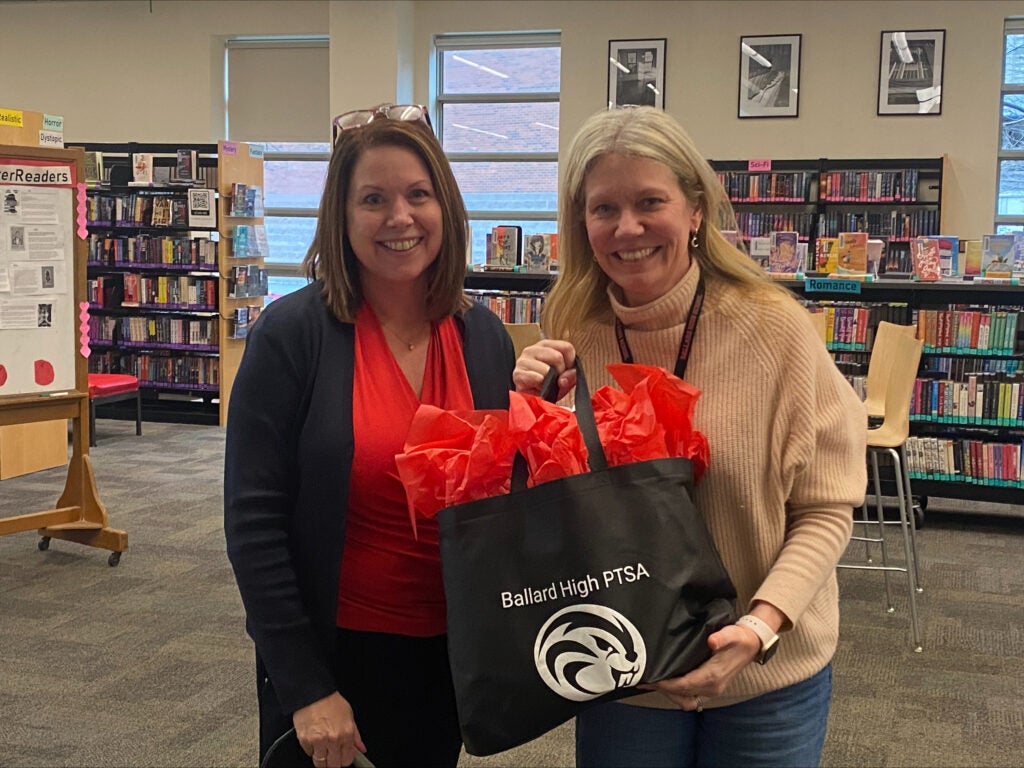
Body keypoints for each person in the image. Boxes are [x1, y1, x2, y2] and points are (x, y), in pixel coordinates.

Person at [513, 106, 867, 767]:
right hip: (624, 673)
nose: (627, 228)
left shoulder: (775, 331)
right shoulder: (569, 332)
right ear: (580, 222)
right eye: (603, 209)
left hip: (768, 673)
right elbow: (556, 522)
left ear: (696, 209)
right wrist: (531, 418)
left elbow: (825, 507)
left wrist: (760, 627)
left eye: (651, 202)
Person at [224, 104, 515, 768]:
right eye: (373, 199)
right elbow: (253, 524)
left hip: (446, 656)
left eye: (418, 195)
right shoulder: (292, 336)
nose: (399, 218)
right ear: (341, 216)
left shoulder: (482, 336)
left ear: (446, 207)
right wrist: (305, 686)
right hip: (335, 656)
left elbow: (497, 498)